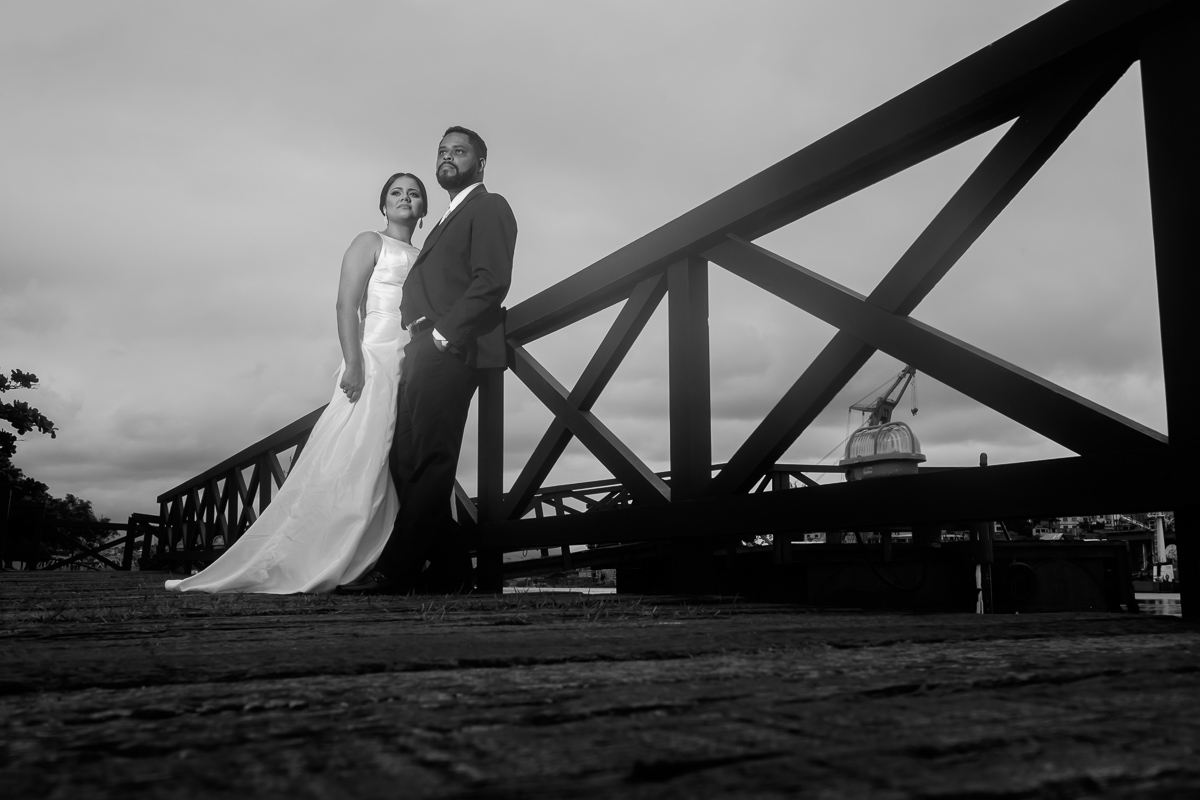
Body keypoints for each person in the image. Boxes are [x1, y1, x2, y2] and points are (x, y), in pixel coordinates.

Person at [165, 173, 429, 593]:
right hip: (375, 357)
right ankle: (321, 551)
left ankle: (385, 558)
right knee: (356, 456)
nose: (404, 199)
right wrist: (353, 361)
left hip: (410, 360)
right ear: (383, 205)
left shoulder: (424, 253)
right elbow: (346, 302)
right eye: (396, 193)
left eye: (413, 194)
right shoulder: (369, 242)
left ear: (422, 209)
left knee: (398, 461)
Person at [340, 126, 517, 595]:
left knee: (432, 460)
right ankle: (453, 568)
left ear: (480, 163)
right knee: (404, 462)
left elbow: (492, 280)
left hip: (451, 348)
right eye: (442, 151)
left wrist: (442, 333)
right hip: (419, 349)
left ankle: (397, 570)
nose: (447, 157)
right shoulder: (441, 223)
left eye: (459, 152)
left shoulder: (490, 206)